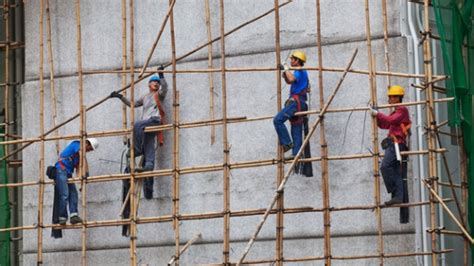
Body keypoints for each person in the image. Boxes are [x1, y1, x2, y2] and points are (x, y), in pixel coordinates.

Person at [110, 68, 168, 199]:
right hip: (147, 125)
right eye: (154, 82)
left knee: (137, 125)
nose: (156, 84)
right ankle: (148, 170)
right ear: (149, 84)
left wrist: (161, 75)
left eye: (157, 83)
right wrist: (120, 97)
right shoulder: (145, 97)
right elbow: (132, 104)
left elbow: (165, 88)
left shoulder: (159, 94)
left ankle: (136, 148)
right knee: (149, 147)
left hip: (154, 120)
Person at [370, 85, 411, 206]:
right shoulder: (396, 112)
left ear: (399, 98)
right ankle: (398, 196)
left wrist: (378, 114)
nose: (390, 99)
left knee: (385, 167)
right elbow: (385, 125)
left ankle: (394, 191)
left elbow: (390, 121)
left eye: (393, 96)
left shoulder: (402, 110)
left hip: (396, 144)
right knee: (396, 171)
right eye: (390, 96)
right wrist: (377, 117)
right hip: (394, 144)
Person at [273, 51, 309, 159]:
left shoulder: (299, 70)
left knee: (277, 120)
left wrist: (286, 68)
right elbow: (289, 81)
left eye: (292, 59)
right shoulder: (301, 72)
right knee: (296, 125)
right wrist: (285, 73)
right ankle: (296, 152)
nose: (291, 61)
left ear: (297, 60)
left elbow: (292, 78)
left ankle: (288, 144)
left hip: (296, 102)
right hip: (300, 102)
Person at [55, 138, 98, 225]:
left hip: (68, 173)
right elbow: (83, 157)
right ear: (87, 144)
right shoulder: (76, 144)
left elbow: (78, 168)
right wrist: (87, 172)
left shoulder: (78, 156)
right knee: (65, 194)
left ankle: (73, 216)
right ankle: (62, 217)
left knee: (73, 194)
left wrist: (81, 181)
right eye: (89, 149)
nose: (88, 151)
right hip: (60, 170)